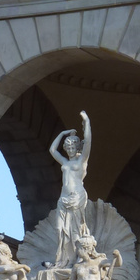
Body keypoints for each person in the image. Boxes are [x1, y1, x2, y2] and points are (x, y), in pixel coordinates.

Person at [49, 112, 91, 265]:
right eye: (68, 147)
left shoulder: (81, 161)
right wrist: (62, 133)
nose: (70, 149)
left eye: (73, 146)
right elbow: (52, 151)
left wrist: (87, 122)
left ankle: (75, 260)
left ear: (77, 146)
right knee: (60, 230)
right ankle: (62, 260)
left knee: (74, 231)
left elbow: (88, 143)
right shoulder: (65, 162)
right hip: (63, 199)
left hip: (76, 197)